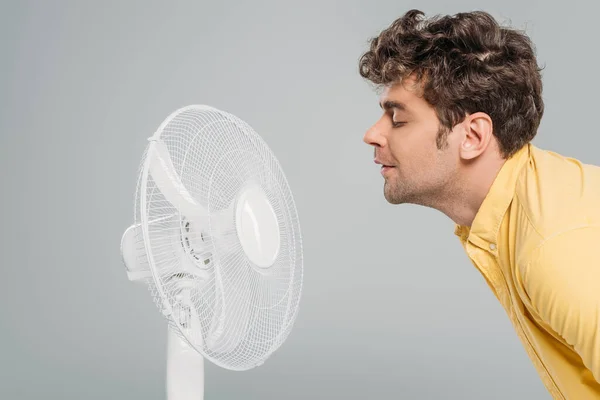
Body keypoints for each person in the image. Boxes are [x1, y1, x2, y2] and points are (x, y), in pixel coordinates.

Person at [359, 9, 600, 399]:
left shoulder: (554, 249)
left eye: (397, 119)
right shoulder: (515, 213)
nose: (372, 134)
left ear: (472, 136)